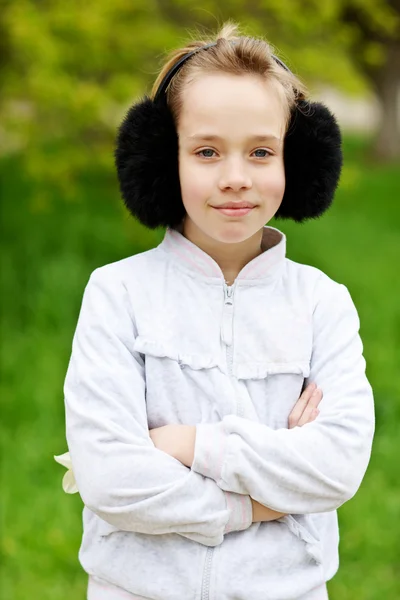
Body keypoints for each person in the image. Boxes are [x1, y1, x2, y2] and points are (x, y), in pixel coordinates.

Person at [55, 22, 375, 600]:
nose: (235, 178)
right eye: (206, 151)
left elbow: (337, 465)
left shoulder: (323, 303)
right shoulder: (117, 294)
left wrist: (185, 446)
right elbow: (110, 477)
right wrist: (257, 501)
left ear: (298, 160)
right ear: (161, 157)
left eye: (261, 152)